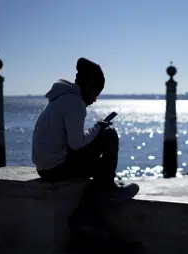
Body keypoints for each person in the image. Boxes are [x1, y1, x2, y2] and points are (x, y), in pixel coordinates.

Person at [32, 57, 139, 241]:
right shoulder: (75, 103)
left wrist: (95, 129)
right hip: (56, 168)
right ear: (89, 87)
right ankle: (104, 195)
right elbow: (76, 143)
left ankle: (92, 205)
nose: (95, 99)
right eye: (96, 93)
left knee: (100, 166)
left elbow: (73, 142)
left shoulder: (61, 98)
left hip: (46, 167)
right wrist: (98, 129)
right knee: (110, 135)